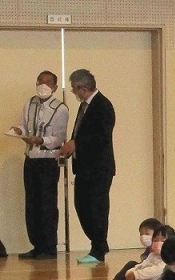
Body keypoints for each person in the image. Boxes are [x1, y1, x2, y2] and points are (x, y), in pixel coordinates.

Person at [9, 70, 68, 259]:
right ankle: (37, 245)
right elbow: (24, 126)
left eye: (48, 82)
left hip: (48, 159)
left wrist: (40, 140)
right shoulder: (30, 103)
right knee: (32, 203)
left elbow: (58, 137)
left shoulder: (61, 109)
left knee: (47, 204)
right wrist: (19, 131)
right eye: (40, 82)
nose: (43, 85)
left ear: (55, 87)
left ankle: (49, 247)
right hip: (30, 159)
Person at [61, 68, 115, 265]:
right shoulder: (84, 106)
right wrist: (71, 147)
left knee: (97, 209)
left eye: (75, 89)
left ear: (83, 88)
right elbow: (81, 133)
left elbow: (102, 137)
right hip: (84, 168)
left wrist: (77, 144)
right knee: (82, 206)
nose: (75, 93)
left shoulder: (103, 106)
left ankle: (98, 248)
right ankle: (99, 242)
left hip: (99, 169)